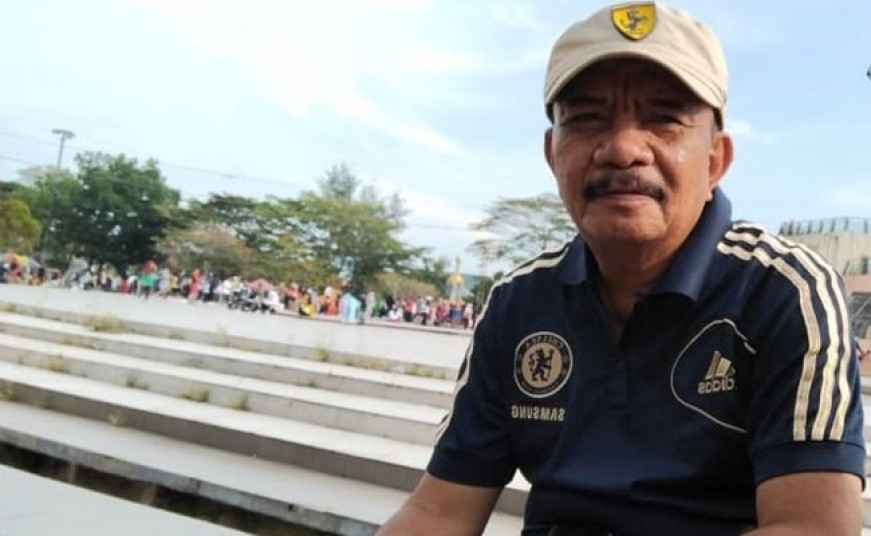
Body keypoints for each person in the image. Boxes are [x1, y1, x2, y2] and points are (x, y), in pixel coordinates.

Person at [378, 3, 865, 535]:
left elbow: (813, 528)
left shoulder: (785, 292)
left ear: (715, 160)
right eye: (588, 118)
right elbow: (439, 512)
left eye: (663, 118)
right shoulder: (519, 302)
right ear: (553, 154)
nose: (623, 149)